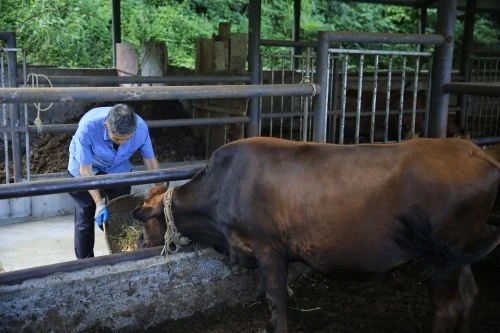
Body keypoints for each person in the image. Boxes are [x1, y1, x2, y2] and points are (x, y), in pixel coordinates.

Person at [67, 103, 161, 259]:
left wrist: (161, 190)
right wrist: (99, 203)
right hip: (85, 168)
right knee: (85, 218)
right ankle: (85, 264)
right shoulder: (88, 128)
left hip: (118, 167)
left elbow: (150, 161)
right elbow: (86, 171)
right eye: (117, 138)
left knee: (121, 215)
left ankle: (123, 254)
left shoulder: (141, 129)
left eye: (127, 139)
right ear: (106, 126)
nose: (122, 142)